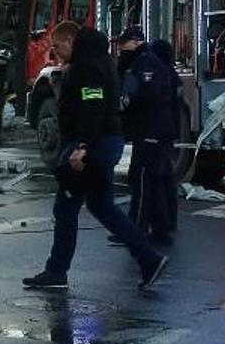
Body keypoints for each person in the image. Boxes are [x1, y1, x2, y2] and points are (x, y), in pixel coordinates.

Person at [23, 23, 170, 291]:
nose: (54, 53)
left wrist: (82, 146)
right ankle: (149, 259)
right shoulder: (100, 61)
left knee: (66, 208)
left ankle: (57, 272)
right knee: (102, 207)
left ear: (70, 41)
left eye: (57, 46)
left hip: (93, 144)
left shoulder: (86, 68)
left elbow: (92, 108)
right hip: (103, 142)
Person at [119, 28, 179, 244]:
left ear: (135, 42)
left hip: (151, 130)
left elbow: (145, 95)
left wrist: (128, 106)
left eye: (124, 44)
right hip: (152, 130)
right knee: (154, 180)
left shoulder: (145, 64)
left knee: (142, 178)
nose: (121, 48)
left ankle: (136, 229)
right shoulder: (142, 62)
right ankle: (160, 229)